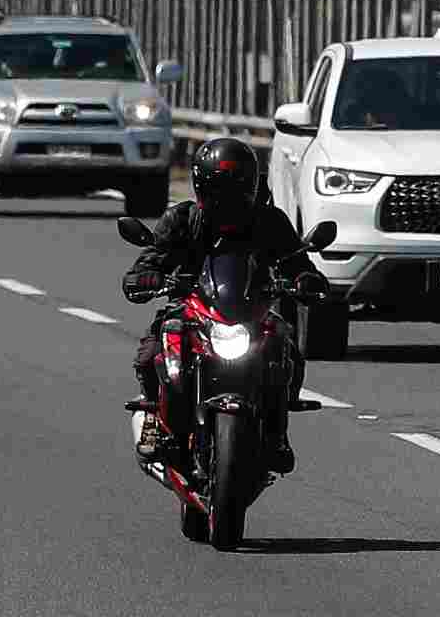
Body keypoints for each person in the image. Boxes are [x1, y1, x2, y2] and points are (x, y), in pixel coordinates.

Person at [121, 137, 322, 473]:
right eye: (217, 188)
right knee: (151, 352)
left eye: (236, 188)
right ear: (201, 186)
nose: (226, 198)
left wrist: (305, 279)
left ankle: (278, 432)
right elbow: (152, 257)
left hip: (250, 312)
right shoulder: (182, 219)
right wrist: (146, 276)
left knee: (285, 347)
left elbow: (296, 262)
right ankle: (154, 418)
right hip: (191, 309)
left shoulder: (269, 221)